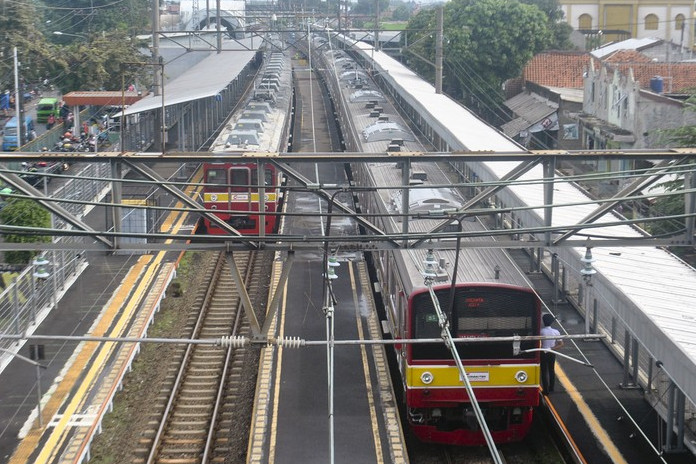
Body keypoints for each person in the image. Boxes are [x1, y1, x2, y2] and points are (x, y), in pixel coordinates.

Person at [540, 313, 563, 395]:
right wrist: (552, 348)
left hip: (543, 352)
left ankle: (545, 391)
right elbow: (561, 344)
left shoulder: (541, 332)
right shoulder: (556, 332)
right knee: (551, 370)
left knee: (544, 371)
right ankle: (551, 387)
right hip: (552, 352)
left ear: (543, 322)